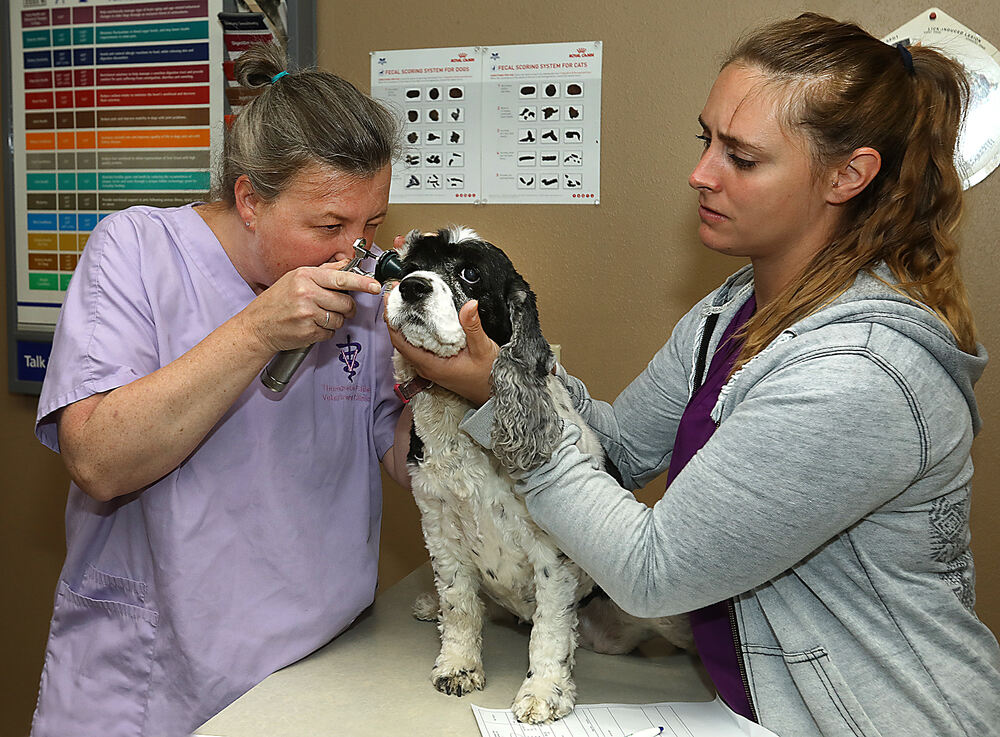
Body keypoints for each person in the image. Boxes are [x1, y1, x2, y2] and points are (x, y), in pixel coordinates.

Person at [388, 13, 1000, 737]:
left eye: (741, 157)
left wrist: (497, 393)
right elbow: (612, 446)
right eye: (705, 139)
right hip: (755, 704)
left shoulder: (858, 373)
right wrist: (510, 354)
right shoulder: (736, 305)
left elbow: (655, 572)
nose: (701, 173)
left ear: (848, 175)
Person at [31, 44, 410, 737]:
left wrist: (447, 381)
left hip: (325, 671)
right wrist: (257, 331)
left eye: (371, 226)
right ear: (250, 200)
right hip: (160, 687)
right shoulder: (135, 253)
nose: (354, 251)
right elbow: (97, 461)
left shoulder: (364, 287)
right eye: (329, 226)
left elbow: (404, 460)